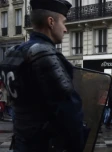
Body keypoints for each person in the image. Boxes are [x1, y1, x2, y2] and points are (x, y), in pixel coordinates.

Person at [0, 0, 86, 151]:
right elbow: (70, 112)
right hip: (44, 145)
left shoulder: (12, 53)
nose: (65, 29)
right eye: (63, 23)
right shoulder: (44, 54)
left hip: (22, 142)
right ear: (51, 22)